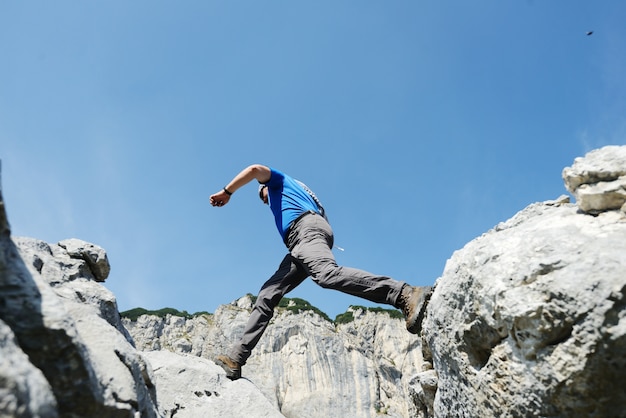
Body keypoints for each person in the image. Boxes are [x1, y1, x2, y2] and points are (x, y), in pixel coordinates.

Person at [209, 164, 432, 380]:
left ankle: (404, 294)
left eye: (262, 194)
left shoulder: (280, 182)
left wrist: (227, 192)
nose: (264, 200)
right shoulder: (299, 194)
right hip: (300, 242)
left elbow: (254, 169)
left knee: (326, 274)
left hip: (305, 230)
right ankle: (236, 359)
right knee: (267, 294)